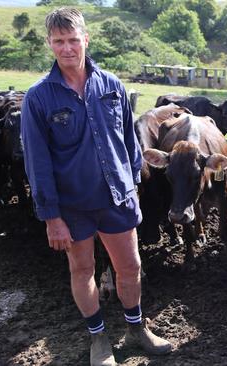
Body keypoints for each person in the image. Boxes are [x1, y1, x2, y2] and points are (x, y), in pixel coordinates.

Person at [20, 8, 171, 365]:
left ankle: (136, 328)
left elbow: (130, 143)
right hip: (73, 206)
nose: (67, 48)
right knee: (82, 270)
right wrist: (51, 216)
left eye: (73, 40)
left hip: (116, 198)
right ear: (50, 44)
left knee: (131, 266)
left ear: (86, 39)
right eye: (59, 41)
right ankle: (98, 337)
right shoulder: (39, 97)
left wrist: (132, 183)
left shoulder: (111, 85)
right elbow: (37, 163)